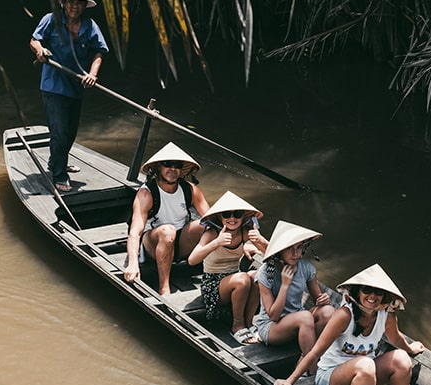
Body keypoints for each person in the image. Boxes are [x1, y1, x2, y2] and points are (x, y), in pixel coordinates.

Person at [273, 264, 425, 385]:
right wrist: (290, 380)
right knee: (366, 365)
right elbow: (316, 351)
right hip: (332, 379)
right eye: (367, 290)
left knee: (402, 359)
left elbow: (396, 338)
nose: (372, 296)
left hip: (365, 377)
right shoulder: (344, 315)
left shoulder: (386, 316)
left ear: (384, 297)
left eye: (378, 293)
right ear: (357, 292)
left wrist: (410, 349)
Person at [30, 0, 109, 192]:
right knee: (59, 130)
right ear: (64, 3)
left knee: (71, 131)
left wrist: (93, 74)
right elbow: (35, 40)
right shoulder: (51, 20)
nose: (74, 6)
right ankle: (59, 174)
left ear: (84, 5)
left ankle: (57, 161)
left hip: (76, 85)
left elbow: (99, 52)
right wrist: (41, 51)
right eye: (70, 2)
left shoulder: (90, 26)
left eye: (79, 3)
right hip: (53, 84)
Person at [123, 142, 210, 295]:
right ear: (159, 168)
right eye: (167, 164)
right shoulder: (146, 193)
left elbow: (212, 218)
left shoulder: (190, 189)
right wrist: (132, 264)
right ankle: (164, 288)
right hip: (152, 244)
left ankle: (215, 274)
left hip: (180, 243)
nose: (172, 169)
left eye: (177, 165)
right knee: (167, 231)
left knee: (206, 225)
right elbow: (135, 233)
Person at [187, 191, 269, 344]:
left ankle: (249, 322)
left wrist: (260, 241)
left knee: (258, 275)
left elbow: (274, 254)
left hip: (235, 277)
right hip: (213, 284)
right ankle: (237, 325)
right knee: (243, 279)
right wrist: (216, 243)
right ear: (220, 217)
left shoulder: (246, 231)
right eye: (227, 214)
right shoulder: (212, 233)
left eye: (237, 214)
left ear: (243, 216)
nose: (232, 219)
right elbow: (192, 260)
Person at [253, 220, 334, 357]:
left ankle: (309, 352)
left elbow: (318, 301)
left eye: (299, 247)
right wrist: (285, 285)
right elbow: (273, 316)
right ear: (279, 251)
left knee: (328, 311)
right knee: (304, 317)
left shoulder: (306, 268)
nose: (295, 253)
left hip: (299, 320)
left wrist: (323, 300)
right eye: (290, 248)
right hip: (272, 328)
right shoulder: (265, 273)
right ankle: (311, 365)